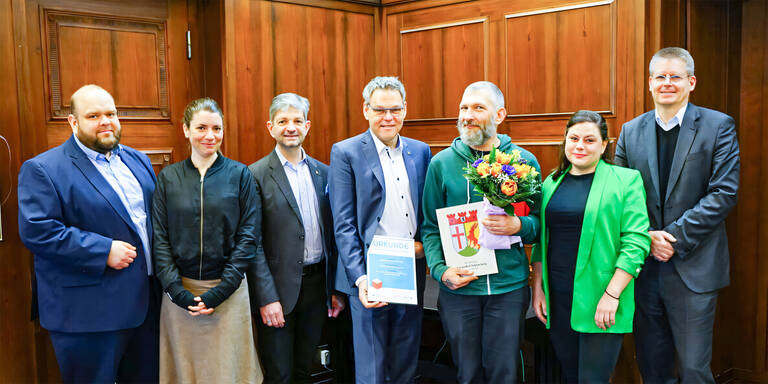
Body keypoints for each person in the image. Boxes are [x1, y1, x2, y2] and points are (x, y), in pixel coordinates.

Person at [18, 84, 160, 383]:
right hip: (88, 314)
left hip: (146, 306)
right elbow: (38, 231)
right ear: (73, 122)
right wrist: (102, 250)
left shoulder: (139, 160)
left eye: (110, 113)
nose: (105, 121)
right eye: (93, 115)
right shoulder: (43, 169)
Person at [615, 47, 740, 383]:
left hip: (693, 269)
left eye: (676, 76)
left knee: (693, 369)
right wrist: (647, 237)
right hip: (643, 269)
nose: (667, 83)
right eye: (660, 77)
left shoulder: (717, 126)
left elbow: (724, 192)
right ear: (650, 84)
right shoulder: (630, 131)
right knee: (652, 368)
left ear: (691, 82)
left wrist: (673, 238)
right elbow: (620, 196)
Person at [421, 81, 540, 383]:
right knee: (467, 372)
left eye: (478, 107)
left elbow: (540, 224)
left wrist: (519, 226)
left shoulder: (523, 162)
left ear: (500, 114)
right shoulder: (441, 164)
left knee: (505, 372)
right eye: (463, 107)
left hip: (508, 289)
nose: (468, 115)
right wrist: (440, 270)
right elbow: (430, 228)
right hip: (459, 290)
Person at [530, 110, 651, 383]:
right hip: (559, 299)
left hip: (602, 298)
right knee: (571, 376)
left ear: (604, 144)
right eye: (573, 138)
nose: (580, 146)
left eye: (589, 140)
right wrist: (538, 289)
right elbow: (541, 241)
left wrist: (612, 294)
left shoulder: (626, 180)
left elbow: (636, 242)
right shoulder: (552, 181)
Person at [151, 98, 263, 383]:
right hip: (181, 296)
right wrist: (177, 291)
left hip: (229, 293)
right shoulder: (168, 178)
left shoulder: (240, 175)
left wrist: (221, 290)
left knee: (229, 372)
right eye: (201, 127)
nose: (210, 135)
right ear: (186, 130)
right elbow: (160, 238)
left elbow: (248, 236)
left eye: (217, 128)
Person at [329, 76, 432, 383]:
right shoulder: (346, 152)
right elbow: (343, 224)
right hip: (370, 269)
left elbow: (428, 211)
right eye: (380, 110)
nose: (388, 117)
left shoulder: (421, 151)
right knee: (372, 362)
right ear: (366, 110)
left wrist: (427, 248)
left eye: (395, 109)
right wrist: (359, 278)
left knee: (406, 354)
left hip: (411, 265)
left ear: (405, 110)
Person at [247, 93, 345, 383]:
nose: (291, 127)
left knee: (305, 370)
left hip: (317, 290)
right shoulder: (255, 175)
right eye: (283, 121)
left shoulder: (325, 173)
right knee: (279, 373)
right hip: (277, 293)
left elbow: (335, 237)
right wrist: (267, 298)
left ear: (307, 126)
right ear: (270, 127)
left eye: (297, 121)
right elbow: (253, 244)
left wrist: (334, 289)